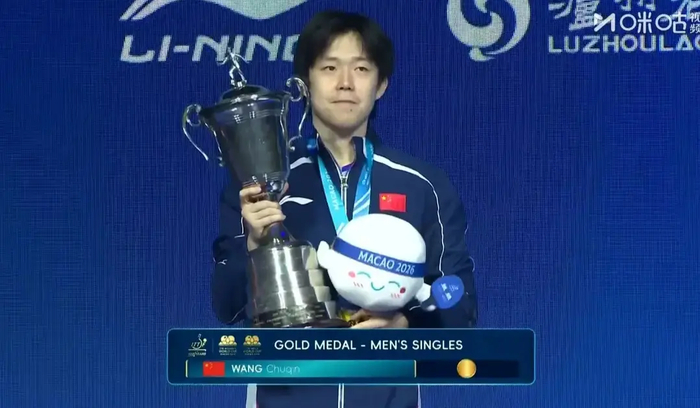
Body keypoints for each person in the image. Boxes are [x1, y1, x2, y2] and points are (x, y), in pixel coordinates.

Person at [211, 10, 477, 408]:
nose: (346, 83)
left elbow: (461, 306)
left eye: (362, 68)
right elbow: (227, 308)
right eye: (329, 67)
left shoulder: (423, 185)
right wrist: (253, 246)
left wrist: (406, 324)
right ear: (304, 83)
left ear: (381, 84)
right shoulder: (261, 188)